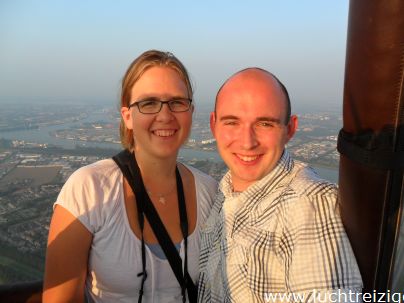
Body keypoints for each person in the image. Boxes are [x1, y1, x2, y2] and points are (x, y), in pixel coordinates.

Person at [43, 50, 217, 303]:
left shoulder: (209, 191)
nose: (165, 115)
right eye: (149, 103)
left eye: (177, 102)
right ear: (127, 117)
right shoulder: (89, 189)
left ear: (190, 111)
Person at [198, 68, 363, 302]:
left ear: (290, 129)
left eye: (265, 124)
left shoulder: (307, 203)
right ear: (214, 125)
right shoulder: (224, 191)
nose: (247, 142)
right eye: (232, 122)